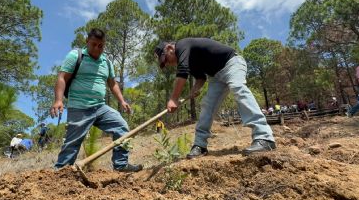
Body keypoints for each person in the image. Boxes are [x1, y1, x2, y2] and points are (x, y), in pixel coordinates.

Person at [154, 38, 276, 158]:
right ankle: (200, 145)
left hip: (232, 63)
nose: (168, 64)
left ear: (170, 48)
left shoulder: (182, 44)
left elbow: (182, 71)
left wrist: (173, 98)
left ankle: (264, 137)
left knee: (237, 88)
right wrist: (194, 89)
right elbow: (201, 78)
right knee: (208, 105)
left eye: (165, 59)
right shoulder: (190, 61)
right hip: (216, 76)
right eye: (164, 64)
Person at [50, 28, 142, 172]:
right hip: (79, 107)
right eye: (93, 44)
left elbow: (112, 83)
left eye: (101, 46)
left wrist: (122, 101)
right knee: (72, 143)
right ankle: (60, 172)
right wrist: (58, 100)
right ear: (87, 42)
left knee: (122, 128)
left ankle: (121, 165)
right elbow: (62, 77)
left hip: (100, 107)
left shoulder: (106, 62)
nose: (97, 48)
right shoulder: (75, 56)